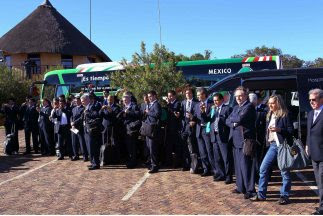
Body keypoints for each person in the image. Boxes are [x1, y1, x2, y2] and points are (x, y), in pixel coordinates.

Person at [251, 95, 293, 205]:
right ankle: (261, 194)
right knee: (263, 168)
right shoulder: (269, 114)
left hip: (283, 146)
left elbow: (290, 130)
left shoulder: (285, 114)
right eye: (269, 103)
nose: (270, 105)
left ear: (278, 103)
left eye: (272, 103)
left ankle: (285, 195)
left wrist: (278, 129)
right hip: (273, 146)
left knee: (284, 172)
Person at [226, 86, 257, 199]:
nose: (238, 98)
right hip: (235, 140)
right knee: (238, 165)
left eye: (240, 95)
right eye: (236, 96)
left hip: (246, 140)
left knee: (247, 166)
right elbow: (227, 120)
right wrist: (234, 122)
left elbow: (239, 119)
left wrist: (234, 121)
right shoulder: (235, 107)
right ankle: (240, 187)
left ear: (245, 96)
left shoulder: (249, 107)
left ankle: (250, 190)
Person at [205, 93, 233, 183]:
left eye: (217, 100)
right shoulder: (213, 109)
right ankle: (221, 174)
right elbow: (207, 119)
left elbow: (229, 122)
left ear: (222, 100)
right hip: (214, 136)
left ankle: (229, 176)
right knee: (217, 157)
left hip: (223, 136)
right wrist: (203, 112)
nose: (215, 102)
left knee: (226, 157)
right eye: (214, 101)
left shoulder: (227, 109)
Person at [305, 88, 323, 214]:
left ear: (321, 99)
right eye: (310, 100)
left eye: (314, 99)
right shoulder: (311, 113)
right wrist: (307, 145)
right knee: (318, 180)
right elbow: (309, 132)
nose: (311, 102)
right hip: (314, 152)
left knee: (322, 180)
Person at [193, 88, 217, 178]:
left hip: (207, 129)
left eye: (200, 95)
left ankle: (214, 170)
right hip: (199, 130)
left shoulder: (211, 104)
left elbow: (211, 117)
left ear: (204, 95)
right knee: (202, 151)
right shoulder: (196, 105)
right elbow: (195, 116)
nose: (198, 97)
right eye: (197, 95)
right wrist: (192, 118)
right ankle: (205, 169)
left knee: (209, 151)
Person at [76, 94, 102, 170]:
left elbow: (96, 114)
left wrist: (88, 113)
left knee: (92, 147)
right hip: (86, 129)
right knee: (89, 147)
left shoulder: (92, 106)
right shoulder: (86, 108)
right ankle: (92, 162)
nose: (82, 103)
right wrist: (74, 122)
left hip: (92, 129)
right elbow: (82, 118)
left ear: (87, 100)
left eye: (83, 101)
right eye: (81, 101)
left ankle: (96, 164)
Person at [117, 93, 141, 168]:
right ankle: (130, 160)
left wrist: (128, 112)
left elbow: (138, 114)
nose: (124, 101)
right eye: (123, 100)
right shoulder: (123, 107)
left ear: (129, 99)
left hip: (132, 129)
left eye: (126, 100)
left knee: (132, 146)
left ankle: (133, 162)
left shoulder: (134, 106)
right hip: (125, 129)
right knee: (128, 146)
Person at [180, 87, 199, 173]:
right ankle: (186, 165)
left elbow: (197, 114)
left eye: (189, 93)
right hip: (184, 127)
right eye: (186, 93)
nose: (187, 94)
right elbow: (181, 114)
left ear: (192, 94)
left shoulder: (196, 103)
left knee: (192, 148)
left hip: (192, 127)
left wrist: (193, 119)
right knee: (184, 147)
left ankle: (194, 166)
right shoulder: (183, 102)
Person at [100, 95, 121, 165]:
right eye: (108, 99)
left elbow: (115, 116)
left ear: (113, 100)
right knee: (105, 143)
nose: (109, 101)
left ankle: (115, 159)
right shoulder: (104, 106)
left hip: (112, 127)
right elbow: (99, 114)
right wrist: (102, 109)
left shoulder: (116, 107)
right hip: (105, 127)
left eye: (111, 99)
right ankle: (105, 159)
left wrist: (110, 110)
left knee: (114, 143)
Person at [144, 90, 162, 173]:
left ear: (155, 96)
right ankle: (151, 164)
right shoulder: (150, 104)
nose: (149, 98)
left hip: (153, 129)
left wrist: (148, 112)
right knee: (149, 148)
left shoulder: (156, 104)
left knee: (152, 148)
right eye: (148, 96)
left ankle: (155, 166)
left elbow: (158, 114)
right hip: (148, 128)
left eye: (151, 96)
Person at [164, 90, 182, 167]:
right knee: (168, 146)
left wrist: (168, 104)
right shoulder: (169, 104)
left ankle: (177, 163)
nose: (169, 98)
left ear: (174, 96)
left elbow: (174, 111)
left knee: (176, 146)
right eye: (168, 96)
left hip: (175, 128)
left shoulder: (177, 103)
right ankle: (168, 162)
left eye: (171, 96)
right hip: (168, 128)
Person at [70, 96, 88, 161]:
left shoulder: (83, 108)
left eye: (78, 101)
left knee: (82, 143)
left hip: (80, 127)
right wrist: (71, 123)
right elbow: (71, 116)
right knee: (74, 142)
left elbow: (81, 118)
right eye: (75, 101)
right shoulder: (73, 109)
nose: (76, 102)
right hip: (73, 128)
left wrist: (74, 122)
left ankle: (85, 156)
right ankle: (75, 155)